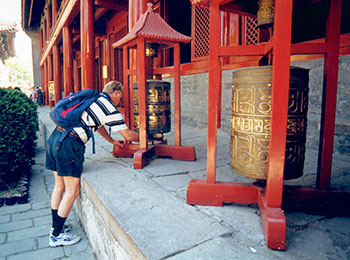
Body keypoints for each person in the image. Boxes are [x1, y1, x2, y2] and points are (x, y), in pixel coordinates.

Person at [46, 81, 139, 247]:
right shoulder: (109, 107)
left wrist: (111, 141)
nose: (121, 101)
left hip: (55, 138)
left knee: (59, 186)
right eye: (121, 97)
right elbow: (129, 135)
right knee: (72, 190)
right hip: (68, 144)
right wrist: (148, 136)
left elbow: (97, 125)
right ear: (116, 93)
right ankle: (56, 235)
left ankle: (56, 225)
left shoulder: (94, 100)